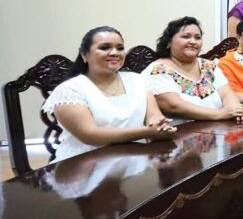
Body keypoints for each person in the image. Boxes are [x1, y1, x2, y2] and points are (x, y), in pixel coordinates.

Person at [41, 27, 175, 161]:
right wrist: (148, 132)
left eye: (120, 48)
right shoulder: (69, 90)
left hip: (133, 158)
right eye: (105, 48)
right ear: (84, 55)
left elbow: (154, 114)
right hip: (84, 165)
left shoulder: (137, 79)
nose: (114, 53)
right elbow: (90, 135)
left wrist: (159, 124)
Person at [143, 17, 243, 122]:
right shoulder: (157, 70)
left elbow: (227, 94)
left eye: (198, 37)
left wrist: (237, 110)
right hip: (178, 134)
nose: (193, 42)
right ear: (168, 42)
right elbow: (173, 106)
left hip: (218, 130)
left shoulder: (208, 65)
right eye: (186, 36)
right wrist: (220, 114)